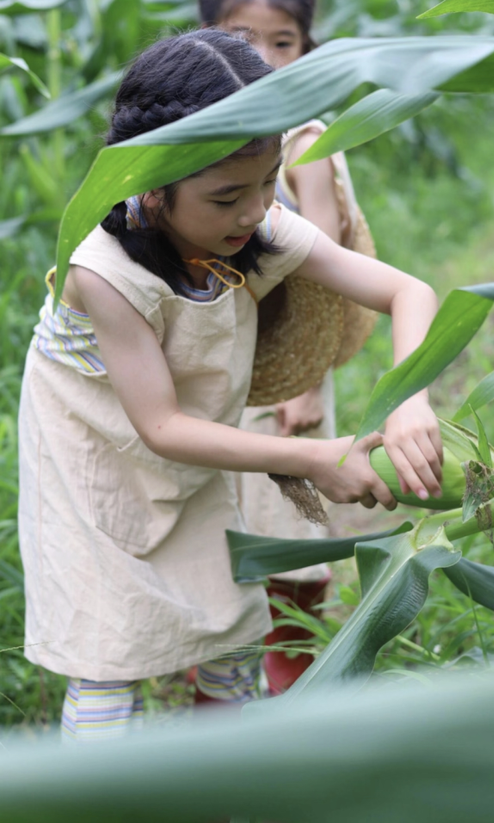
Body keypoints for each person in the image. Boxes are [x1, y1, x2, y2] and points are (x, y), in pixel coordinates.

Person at [18, 28, 442, 746]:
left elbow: (410, 291)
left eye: (269, 182)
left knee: (231, 620)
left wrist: (411, 400)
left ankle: (224, 789)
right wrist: (309, 458)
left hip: (195, 437)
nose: (253, 212)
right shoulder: (103, 270)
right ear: (150, 189)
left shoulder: (258, 224)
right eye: (225, 198)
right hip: (90, 453)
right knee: (106, 649)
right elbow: (159, 427)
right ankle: (91, 811)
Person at [199, 0, 379, 694]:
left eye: (284, 41)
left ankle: (291, 688)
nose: (265, 58)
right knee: (224, 536)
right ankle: (225, 697)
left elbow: (322, 264)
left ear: (308, 52)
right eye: (243, 38)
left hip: (286, 371)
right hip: (221, 369)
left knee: (287, 534)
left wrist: (305, 385)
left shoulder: (304, 140)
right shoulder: (202, 135)